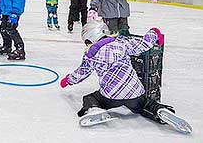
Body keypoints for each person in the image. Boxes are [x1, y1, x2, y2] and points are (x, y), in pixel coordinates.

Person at [59, 20, 192, 134]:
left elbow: (81, 73)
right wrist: (154, 32)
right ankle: (159, 110)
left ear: (91, 39)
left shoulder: (91, 55)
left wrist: (67, 80)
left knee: (91, 98)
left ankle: (94, 109)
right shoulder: (122, 43)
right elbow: (144, 44)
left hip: (111, 96)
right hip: (135, 93)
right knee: (146, 103)